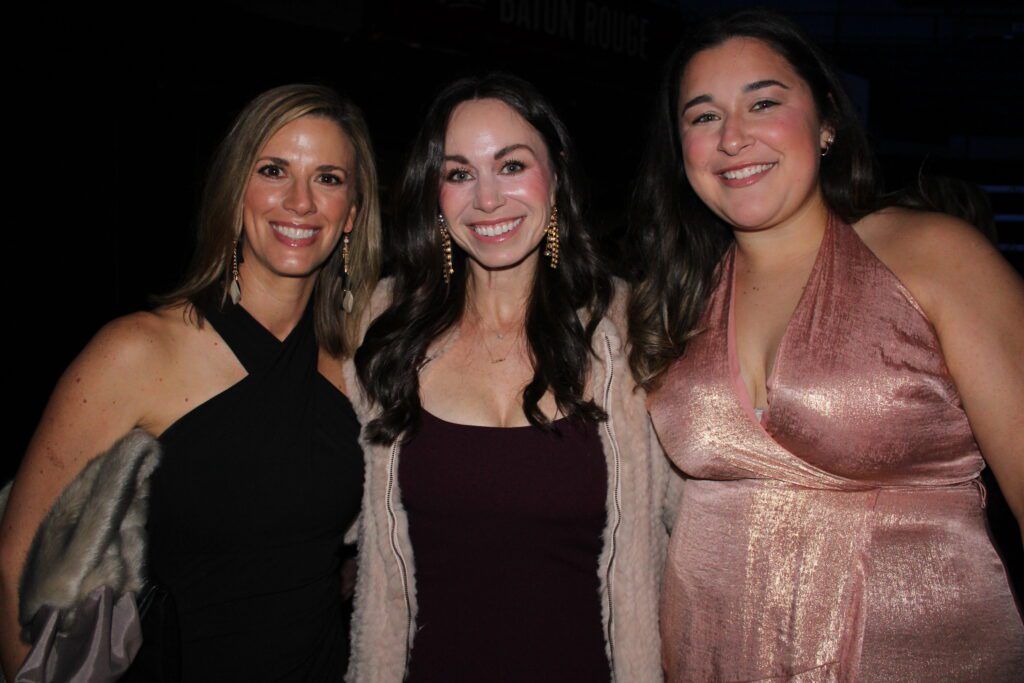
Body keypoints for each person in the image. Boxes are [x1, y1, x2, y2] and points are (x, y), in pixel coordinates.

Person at [627, 9, 1024, 681]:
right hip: (706, 658)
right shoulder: (672, 298)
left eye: (764, 103)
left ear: (827, 121)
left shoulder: (933, 256)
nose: (732, 137)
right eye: (703, 116)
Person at [0, 84, 382, 680]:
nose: (300, 201)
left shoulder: (362, 362)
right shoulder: (135, 352)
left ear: (352, 212)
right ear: (235, 191)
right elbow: (17, 559)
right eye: (273, 171)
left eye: (328, 179)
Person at [347, 73, 674, 682]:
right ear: (434, 195)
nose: (488, 199)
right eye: (459, 173)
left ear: (557, 178)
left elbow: (712, 531)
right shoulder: (378, 330)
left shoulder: (636, 336)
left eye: (512, 165)